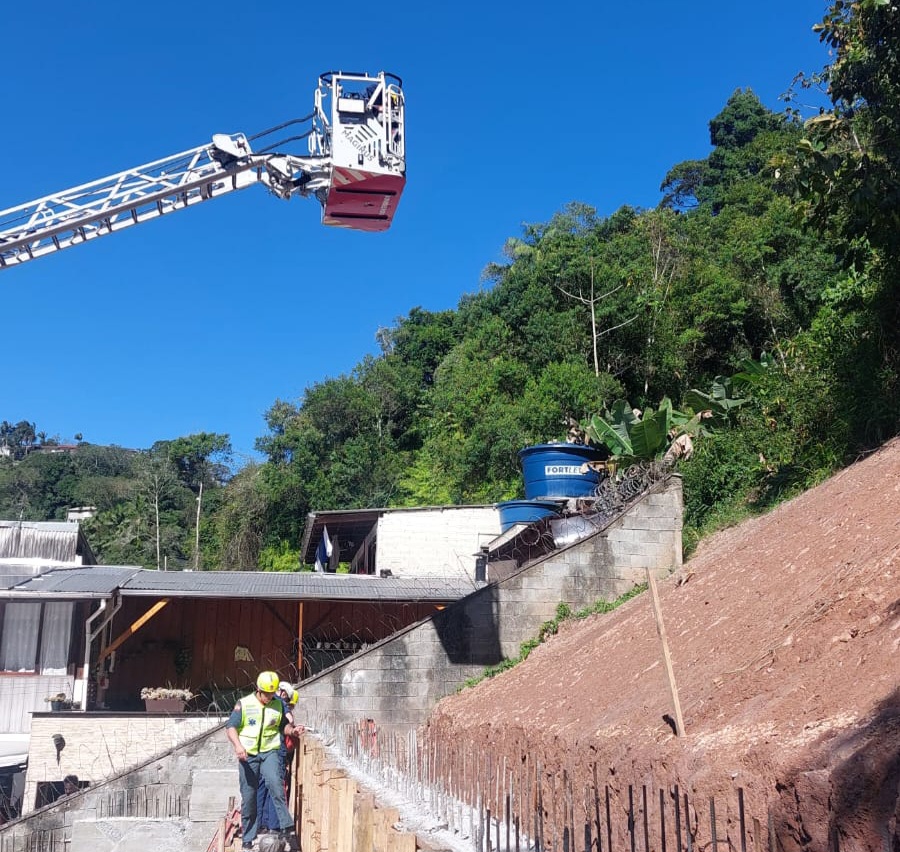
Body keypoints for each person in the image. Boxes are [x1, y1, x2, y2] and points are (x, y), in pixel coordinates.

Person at [225, 672, 299, 851]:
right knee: (249, 797)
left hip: (269, 751)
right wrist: (238, 746)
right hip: (248, 755)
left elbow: (284, 727)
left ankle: (286, 826)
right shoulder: (244, 704)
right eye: (266, 693)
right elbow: (231, 727)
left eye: (272, 693)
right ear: (258, 690)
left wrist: (293, 731)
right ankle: (248, 837)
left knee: (275, 783)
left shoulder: (278, 704)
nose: (269, 697)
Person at [256, 682, 302, 834]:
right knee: (275, 789)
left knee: (261, 786)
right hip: (275, 751)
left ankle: (259, 825)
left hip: (260, 751)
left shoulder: (259, 702)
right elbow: (288, 720)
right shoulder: (279, 703)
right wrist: (293, 728)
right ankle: (274, 826)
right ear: (283, 693)